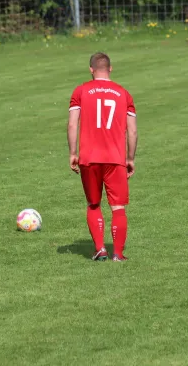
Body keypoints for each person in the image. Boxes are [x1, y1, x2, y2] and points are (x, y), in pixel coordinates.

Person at [67, 53, 138, 261]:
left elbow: (72, 124)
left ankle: (100, 249)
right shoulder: (123, 94)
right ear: (110, 69)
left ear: (91, 70)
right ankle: (118, 253)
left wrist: (73, 153)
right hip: (115, 158)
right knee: (118, 207)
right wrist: (130, 158)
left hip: (88, 157)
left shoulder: (80, 91)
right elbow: (132, 131)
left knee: (94, 204)